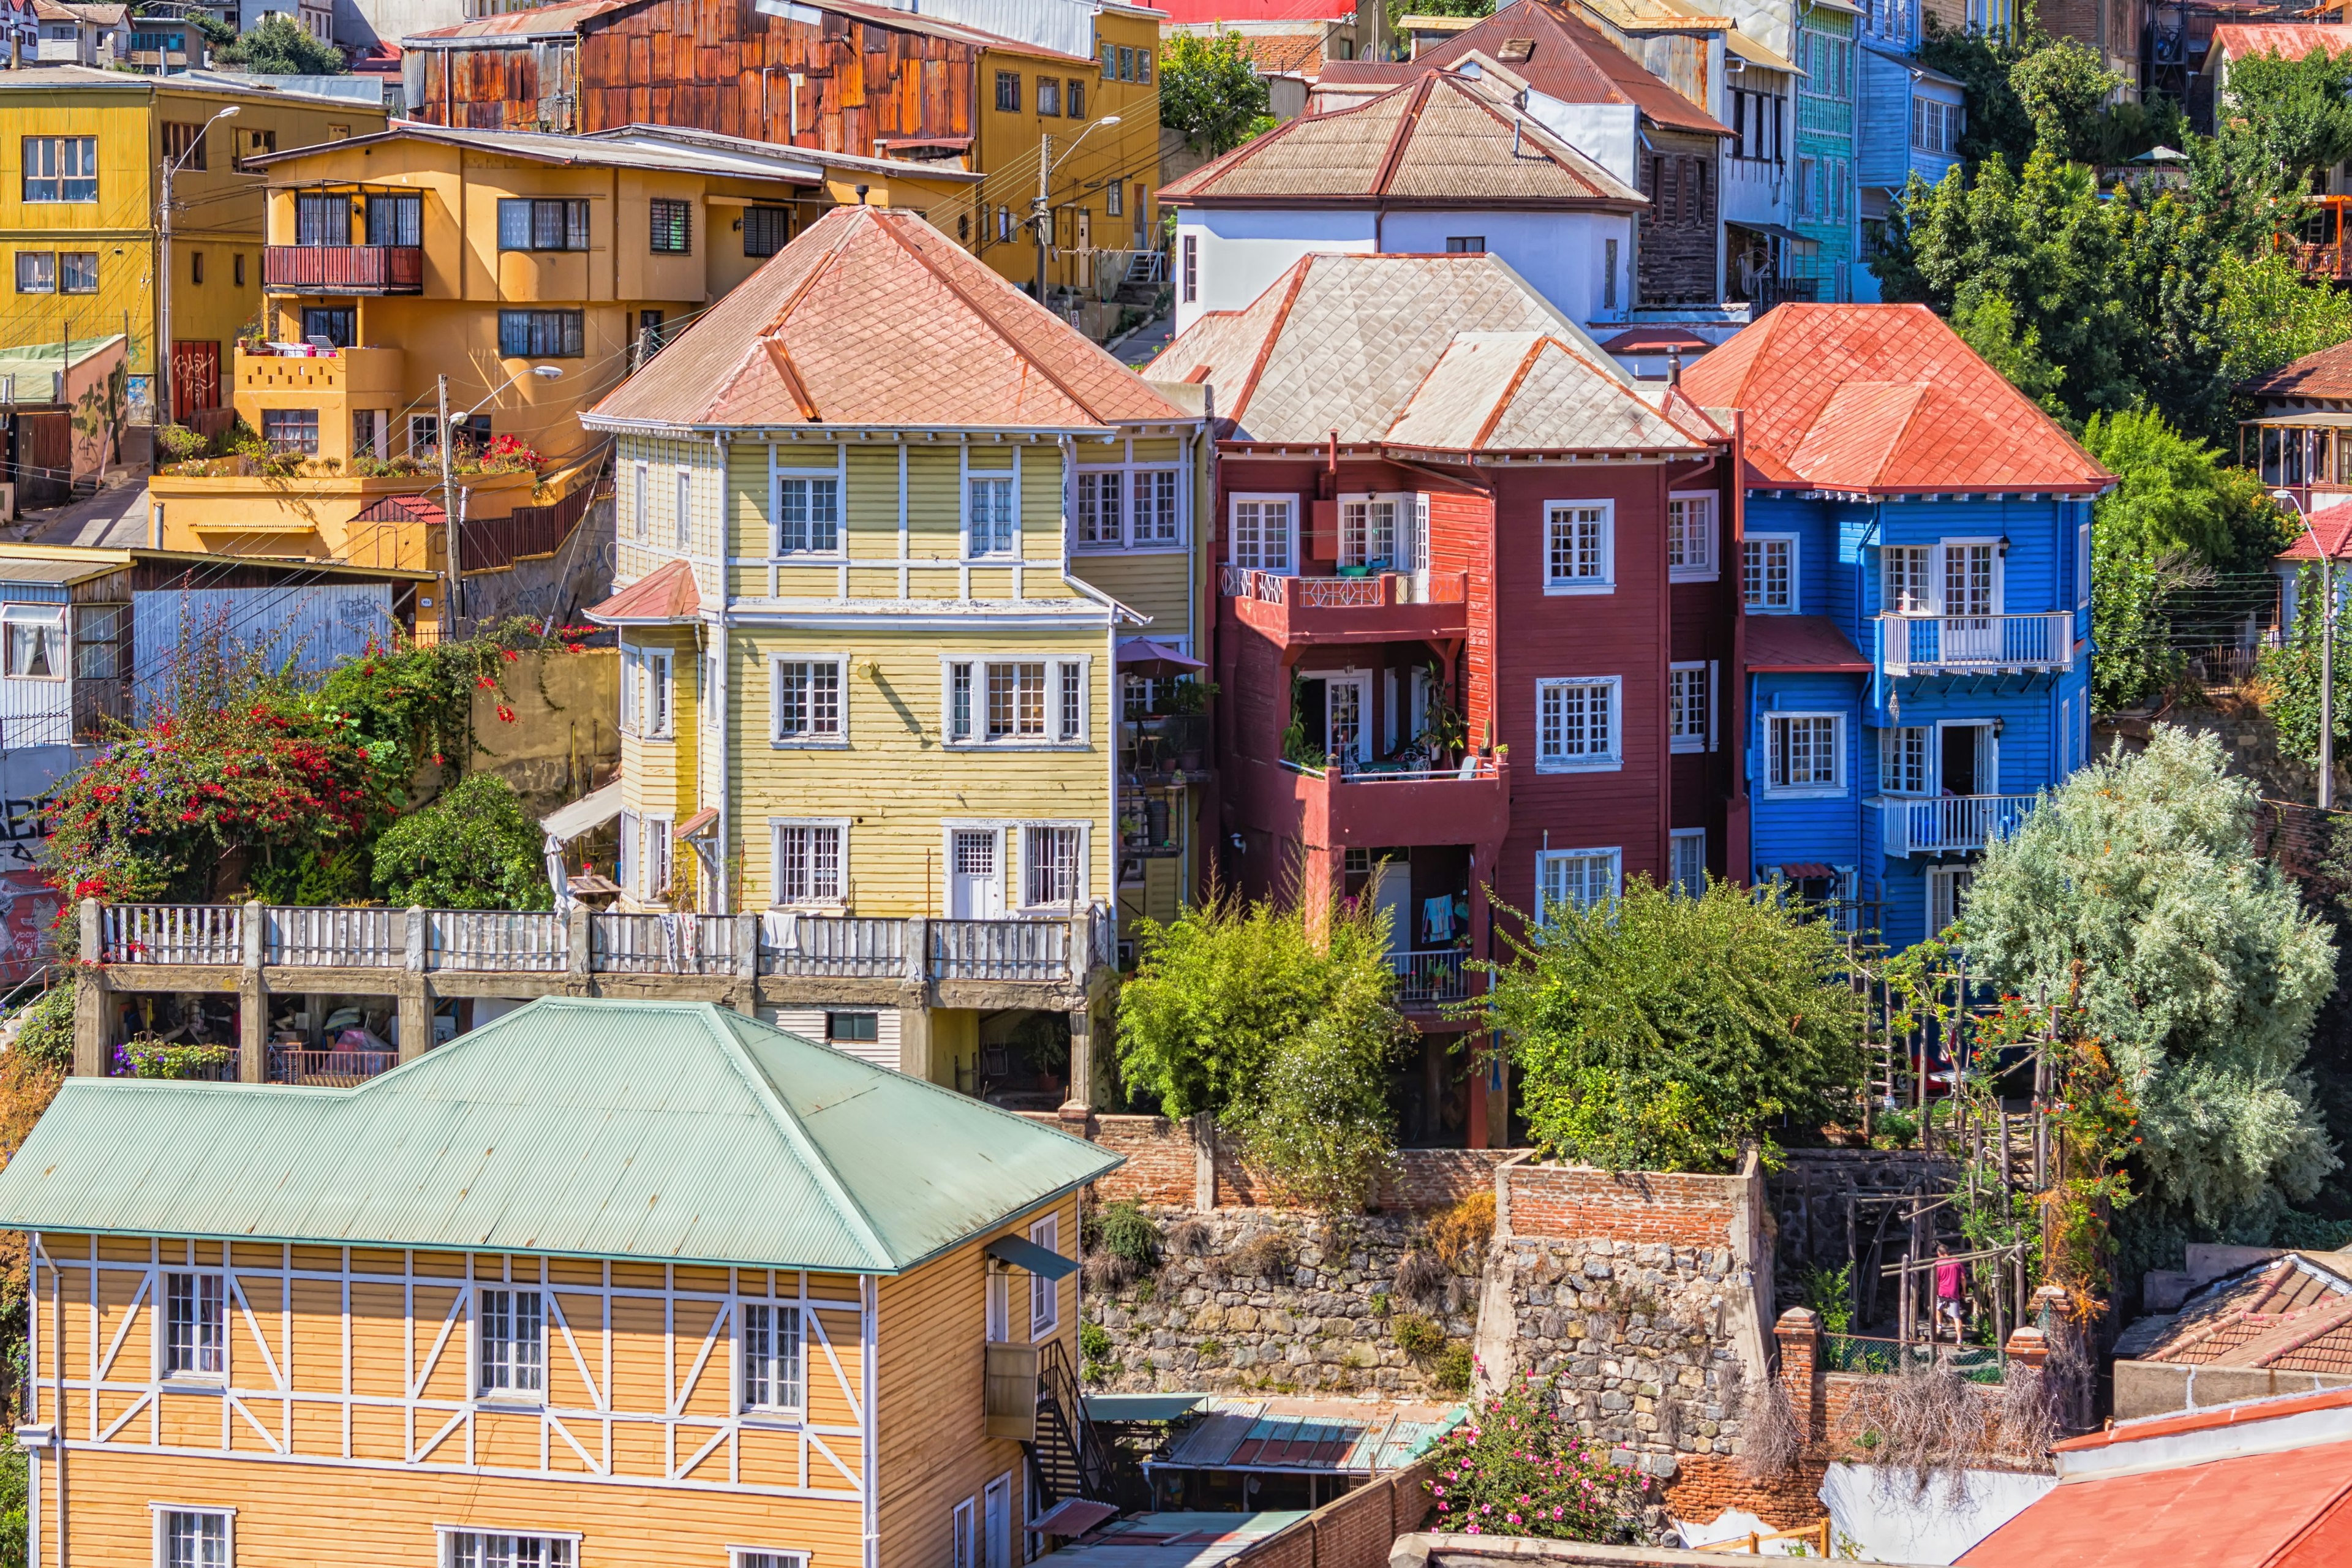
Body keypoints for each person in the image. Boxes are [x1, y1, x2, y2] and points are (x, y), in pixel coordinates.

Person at [1934, 1244, 1965, 1342]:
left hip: (1942, 1291)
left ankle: (1939, 1325)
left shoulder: (1938, 1264)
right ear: (1948, 1252)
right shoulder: (1957, 1262)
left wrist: (1936, 1291)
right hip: (1954, 1292)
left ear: (1939, 1253)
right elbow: (1963, 1278)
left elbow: (1937, 1280)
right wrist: (1964, 1291)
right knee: (1956, 1316)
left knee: (1938, 1308)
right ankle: (1959, 1340)